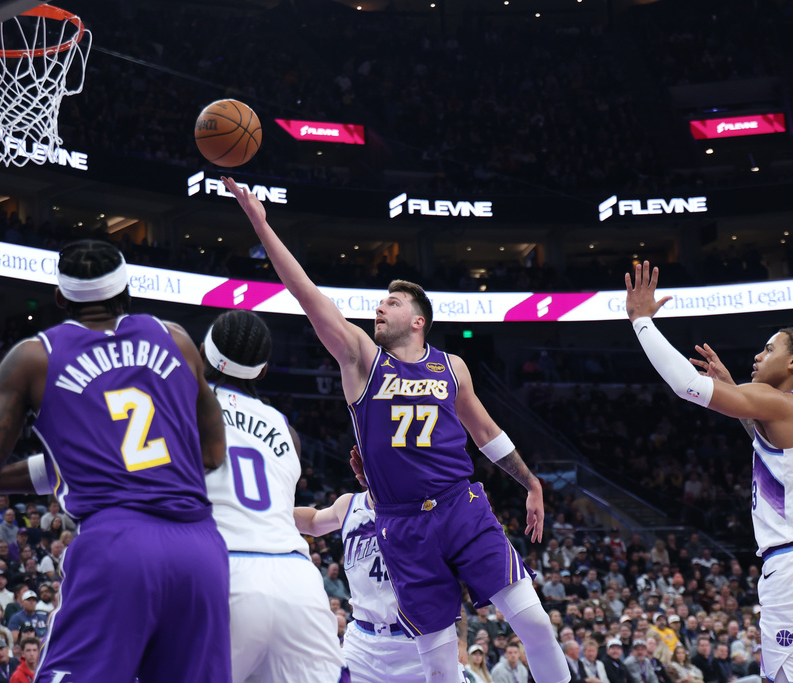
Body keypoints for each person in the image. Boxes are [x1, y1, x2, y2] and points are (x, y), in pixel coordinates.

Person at [223, 175, 568, 683]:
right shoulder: (362, 360)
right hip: (401, 523)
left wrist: (531, 482)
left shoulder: (452, 367)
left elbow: (487, 434)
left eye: (392, 301)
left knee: (535, 620)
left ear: (418, 321)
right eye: (380, 301)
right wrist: (260, 223)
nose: (380, 306)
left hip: (461, 506)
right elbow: (306, 293)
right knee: (438, 663)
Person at [0, 240, 231, 683]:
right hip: (200, 550)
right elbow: (211, 453)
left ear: (60, 297)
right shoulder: (176, 339)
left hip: (119, 544)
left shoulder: (36, 357)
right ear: (127, 289)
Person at [624, 261, 793, 683]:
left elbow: (685, 384)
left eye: (769, 349)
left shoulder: (781, 402)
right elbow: (772, 441)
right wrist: (736, 395)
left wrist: (641, 321)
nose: (758, 354)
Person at [199, 309, 347, 683]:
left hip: (224, 569)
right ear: (263, 371)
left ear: (203, 352)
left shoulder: (186, 407)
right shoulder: (287, 431)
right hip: (298, 580)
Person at [294, 484, 467, 683]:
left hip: (418, 642)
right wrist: (270, 511)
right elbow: (313, 522)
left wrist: (462, 639)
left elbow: (451, 583)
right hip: (363, 644)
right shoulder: (348, 504)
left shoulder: (422, 503)